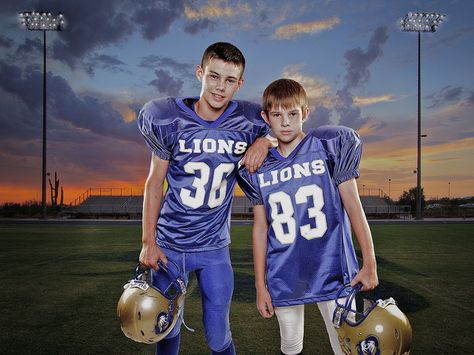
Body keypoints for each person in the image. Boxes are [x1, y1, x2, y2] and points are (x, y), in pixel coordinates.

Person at [136, 42, 272, 355]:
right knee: (165, 330)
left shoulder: (250, 121)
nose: (220, 87)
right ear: (200, 73)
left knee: (218, 335)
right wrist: (148, 242)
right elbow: (154, 184)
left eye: (229, 80)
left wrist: (266, 140)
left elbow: (286, 124)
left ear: (240, 84)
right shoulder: (169, 119)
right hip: (170, 246)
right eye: (213, 76)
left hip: (214, 248)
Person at [237, 79, 379, 355]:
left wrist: (369, 261)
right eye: (277, 115)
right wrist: (260, 285)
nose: (285, 122)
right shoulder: (258, 167)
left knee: (347, 346)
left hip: (335, 270)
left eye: (292, 114)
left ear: (305, 113)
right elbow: (260, 228)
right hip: (284, 272)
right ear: (266, 118)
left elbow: (353, 205)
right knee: (290, 346)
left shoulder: (329, 146)